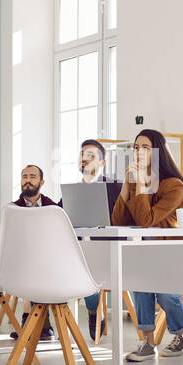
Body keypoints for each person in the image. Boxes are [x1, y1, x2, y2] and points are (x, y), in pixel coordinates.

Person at [112, 129, 183, 362]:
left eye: (145, 148)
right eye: (136, 148)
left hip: (171, 252)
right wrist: (127, 187)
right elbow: (118, 221)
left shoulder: (173, 185)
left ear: (158, 152)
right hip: (145, 251)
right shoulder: (137, 180)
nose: (138, 152)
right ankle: (148, 342)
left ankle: (182, 333)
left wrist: (140, 187)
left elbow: (147, 221)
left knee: (166, 295)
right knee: (139, 285)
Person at [8, 164, 59, 341]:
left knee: (38, 266)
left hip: (49, 259)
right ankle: (41, 326)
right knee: (29, 265)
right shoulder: (12, 208)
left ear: (41, 182)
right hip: (22, 258)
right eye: (24, 177)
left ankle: (29, 323)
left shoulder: (53, 208)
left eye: (32, 176)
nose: (27, 180)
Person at [78, 139, 108, 337]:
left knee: (89, 267)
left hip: (106, 249)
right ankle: (93, 310)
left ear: (101, 163)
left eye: (90, 156)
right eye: (82, 155)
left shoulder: (112, 187)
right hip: (80, 249)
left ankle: (94, 311)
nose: (84, 159)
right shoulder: (73, 189)